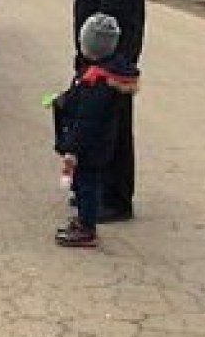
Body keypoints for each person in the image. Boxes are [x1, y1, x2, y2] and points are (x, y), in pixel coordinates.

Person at [74, 0, 145, 222]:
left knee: (109, 126)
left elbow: (111, 4)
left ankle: (115, 200)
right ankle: (101, 190)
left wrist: (97, 55)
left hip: (109, 55)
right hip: (114, 52)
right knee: (107, 123)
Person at [53, 14, 140, 247]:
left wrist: (71, 146)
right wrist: (64, 100)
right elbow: (78, 99)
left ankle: (86, 227)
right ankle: (84, 219)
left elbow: (87, 118)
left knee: (86, 184)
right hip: (97, 142)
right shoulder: (100, 74)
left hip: (91, 145)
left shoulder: (97, 83)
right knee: (83, 183)